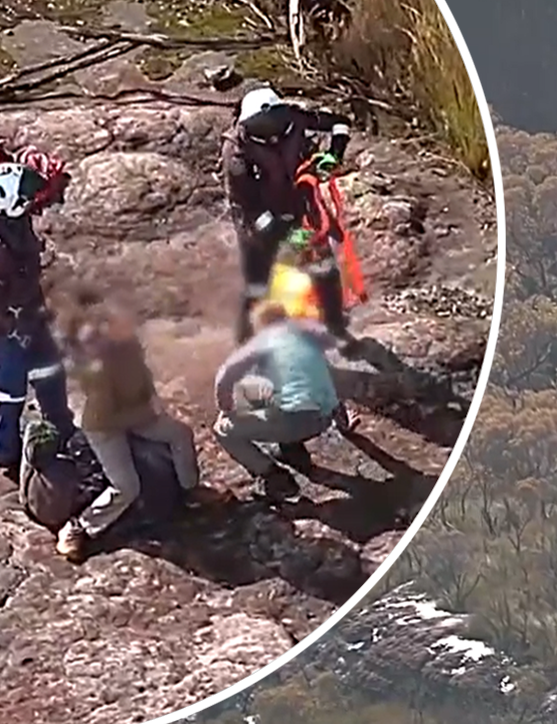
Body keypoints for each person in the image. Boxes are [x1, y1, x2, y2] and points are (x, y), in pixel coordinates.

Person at [53, 288, 213, 560]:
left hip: (135, 414)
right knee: (126, 486)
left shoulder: (128, 344)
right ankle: (79, 527)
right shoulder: (96, 362)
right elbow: (107, 409)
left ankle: (190, 490)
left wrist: (153, 399)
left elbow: (143, 373)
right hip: (104, 425)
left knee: (179, 434)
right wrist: (144, 414)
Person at [0, 162, 79, 479]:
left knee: (51, 374)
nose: (30, 203)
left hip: (31, 318)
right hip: (7, 329)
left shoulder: (15, 223)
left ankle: (61, 432)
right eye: (25, 198)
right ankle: (5, 452)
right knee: (10, 393)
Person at [221, 86, 353, 343]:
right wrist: (271, 230)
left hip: (298, 210)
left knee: (323, 267)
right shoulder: (237, 149)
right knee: (258, 282)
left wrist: (334, 154)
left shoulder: (296, 120)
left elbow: (340, 122)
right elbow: (242, 201)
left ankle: (335, 324)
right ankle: (245, 343)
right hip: (254, 222)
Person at [212, 299, 357, 500]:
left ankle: (273, 475)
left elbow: (225, 376)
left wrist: (226, 407)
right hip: (323, 419)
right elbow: (332, 381)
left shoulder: (260, 346)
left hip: (293, 423)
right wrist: (343, 422)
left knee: (223, 428)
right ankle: (292, 449)